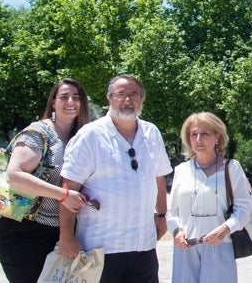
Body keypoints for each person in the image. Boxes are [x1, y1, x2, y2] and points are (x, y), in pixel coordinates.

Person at [60, 74, 172, 283]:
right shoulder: (90, 135)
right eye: (121, 95)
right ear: (109, 98)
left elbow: (159, 177)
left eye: (133, 95)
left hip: (143, 245)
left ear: (142, 100)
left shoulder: (151, 133)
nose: (127, 100)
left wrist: (162, 216)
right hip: (101, 246)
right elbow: (69, 187)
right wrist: (66, 236)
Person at [0, 78, 93, 283]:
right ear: (53, 102)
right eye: (64, 97)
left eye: (76, 97)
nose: (70, 102)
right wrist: (64, 195)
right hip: (25, 233)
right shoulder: (39, 133)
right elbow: (14, 175)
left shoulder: (83, 136)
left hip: (65, 232)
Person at [166, 112, 252, 283]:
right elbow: (172, 212)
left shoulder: (232, 168)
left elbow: (244, 210)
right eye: (194, 134)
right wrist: (176, 231)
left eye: (204, 134)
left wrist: (225, 229)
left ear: (217, 137)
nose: (198, 139)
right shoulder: (181, 171)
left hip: (220, 247)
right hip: (186, 249)